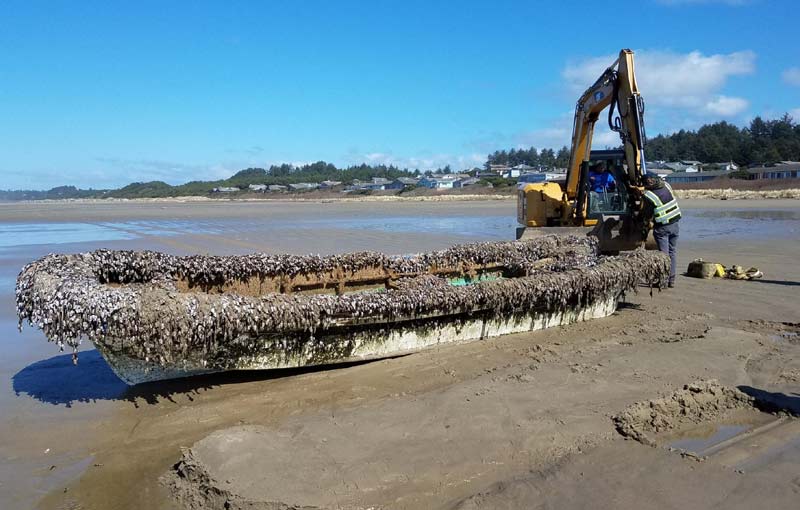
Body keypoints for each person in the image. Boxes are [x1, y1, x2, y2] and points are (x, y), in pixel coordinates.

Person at [642, 173, 681, 287]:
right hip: (675, 224)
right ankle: (671, 280)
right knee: (672, 252)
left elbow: (646, 214)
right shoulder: (667, 185)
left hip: (662, 228)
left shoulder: (650, 195)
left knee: (663, 255)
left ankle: (662, 281)